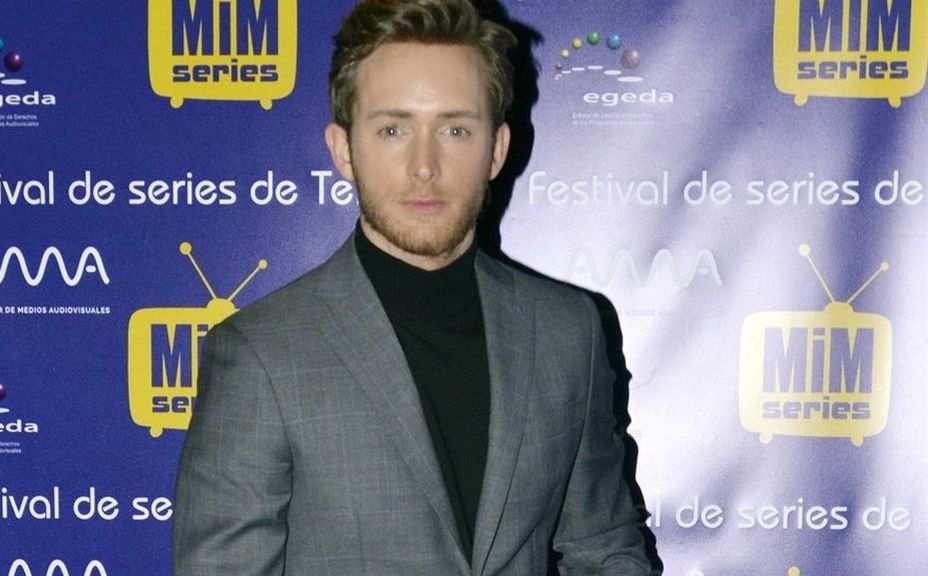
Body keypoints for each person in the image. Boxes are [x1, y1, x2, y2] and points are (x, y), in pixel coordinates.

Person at [172, 0, 655, 574]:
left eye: (455, 129)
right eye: (393, 129)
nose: (424, 165)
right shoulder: (261, 355)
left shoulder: (568, 331)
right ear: (343, 150)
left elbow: (604, 548)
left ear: (497, 149)